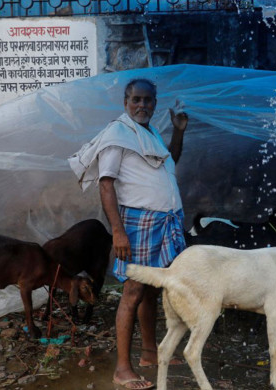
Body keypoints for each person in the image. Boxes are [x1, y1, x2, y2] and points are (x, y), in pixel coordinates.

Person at [68, 79, 188, 390]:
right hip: (137, 224)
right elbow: (105, 185)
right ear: (125, 102)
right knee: (134, 291)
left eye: (148, 100)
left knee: (151, 289)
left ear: (155, 103)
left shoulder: (148, 134)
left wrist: (178, 131)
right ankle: (122, 369)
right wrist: (118, 232)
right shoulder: (118, 134)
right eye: (136, 99)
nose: (142, 105)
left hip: (164, 222)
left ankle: (149, 354)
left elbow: (169, 162)